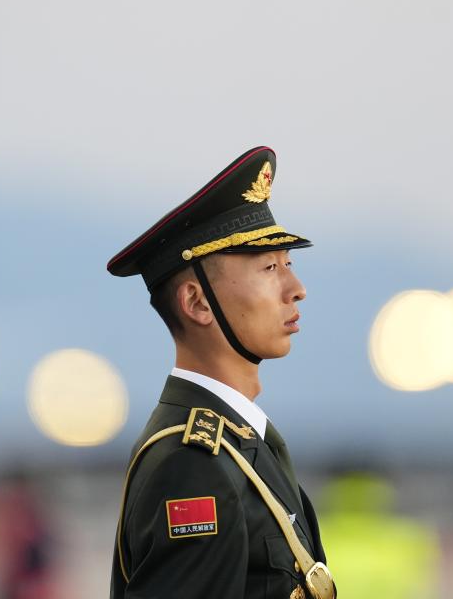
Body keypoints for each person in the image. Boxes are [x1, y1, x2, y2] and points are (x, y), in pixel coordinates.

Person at [106, 146, 334, 599]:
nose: (296, 289)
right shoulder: (191, 466)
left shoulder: (243, 443)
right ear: (196, 302)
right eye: (270, 267)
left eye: (289, 264)